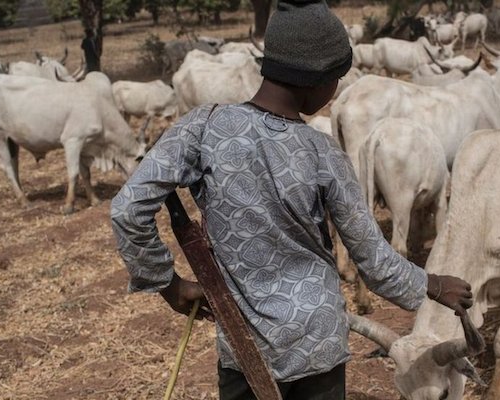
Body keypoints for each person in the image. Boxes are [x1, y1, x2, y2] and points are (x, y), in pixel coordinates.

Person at [110, 0, 474, 398]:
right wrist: (433, 284)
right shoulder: (324, 153)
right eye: (336, 79)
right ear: (318, 80)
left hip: (246, 345)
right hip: (318, 344)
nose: (335, 91)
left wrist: (169, 285)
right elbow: (374, 262)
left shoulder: (203, 127)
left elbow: (128, 209)